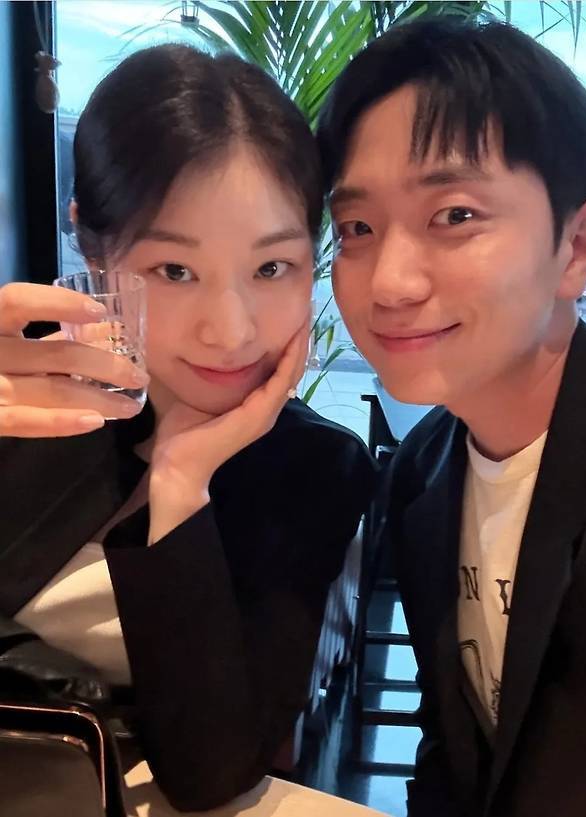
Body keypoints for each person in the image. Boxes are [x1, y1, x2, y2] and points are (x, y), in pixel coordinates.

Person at [0, 44, 375, 811]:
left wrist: (179, 480)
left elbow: (212, 773)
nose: (230, 332)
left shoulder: (316, 470)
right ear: (93, 248)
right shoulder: (25, 404)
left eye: (272, 268)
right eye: (175, 271)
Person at [317, 18, 586, 817]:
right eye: (357, 228)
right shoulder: (422, 473)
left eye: (455, 215)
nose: (390, 283)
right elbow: (455, 752)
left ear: (577, 246)